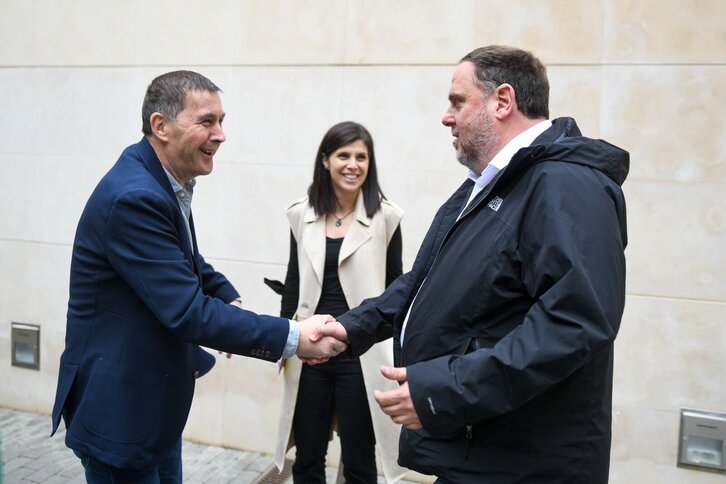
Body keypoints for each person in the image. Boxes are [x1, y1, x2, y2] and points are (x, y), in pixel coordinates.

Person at [315, 45, 629, 482]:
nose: (446, 117)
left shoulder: (566, 185)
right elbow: (428, 281)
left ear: (503, 101)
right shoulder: (492, 183)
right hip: (479, 450)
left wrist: (443, 391)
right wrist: (354, 326)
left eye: (457, 101)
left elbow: (575, 323)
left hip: (522, 464)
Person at [50, 70, 346, 484]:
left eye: (221, 121)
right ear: (161, 126)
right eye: (207, 121)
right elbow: (187, 311)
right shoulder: (135, 196)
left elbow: (183, 260)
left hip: (153, 407)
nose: (221, 134)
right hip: (120, 415)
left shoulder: (163, 180)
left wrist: (225, 295)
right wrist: (294, 337)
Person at [275, 121, 407, 483]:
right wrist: (282, 339)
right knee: (307, 458)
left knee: (360, 461)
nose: (353, 165)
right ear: (325, 160)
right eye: (343, 155)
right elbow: (293, 281)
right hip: (309, 348)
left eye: (361, 157)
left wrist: (397, 349)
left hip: (360, 352)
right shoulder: (301, 214)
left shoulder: (387, 216)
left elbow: (396, 288)